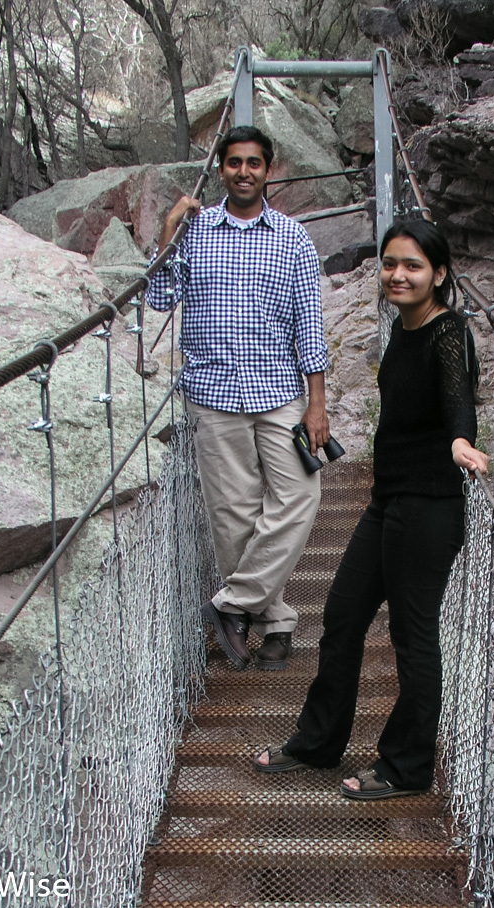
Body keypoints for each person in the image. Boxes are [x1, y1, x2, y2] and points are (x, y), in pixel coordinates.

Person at [253, 219, 488, 799]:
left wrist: (460, 439)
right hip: (388, 500)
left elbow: (458, 396)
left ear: (439, 273)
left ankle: (406, 767)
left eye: (412, 265)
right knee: (342, 617)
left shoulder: (447, 332)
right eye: (389, 263)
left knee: (412, 638)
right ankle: (318, 743)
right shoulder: (402, 329)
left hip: (429, 506)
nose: (397, 275)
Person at [146, 125, 331, 672]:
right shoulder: (194, 233)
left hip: (279, 395)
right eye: (234, 163)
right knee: (234, 518)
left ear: (268, 170)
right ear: (222, 169)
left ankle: (229, 606)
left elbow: (310, 328)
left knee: (301, 496)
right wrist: (166, 233)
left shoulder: (294, 238)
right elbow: (158, 299)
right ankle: (274, 622)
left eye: (254, 163)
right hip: (213, 394)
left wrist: (317, 404)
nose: (244, 172)